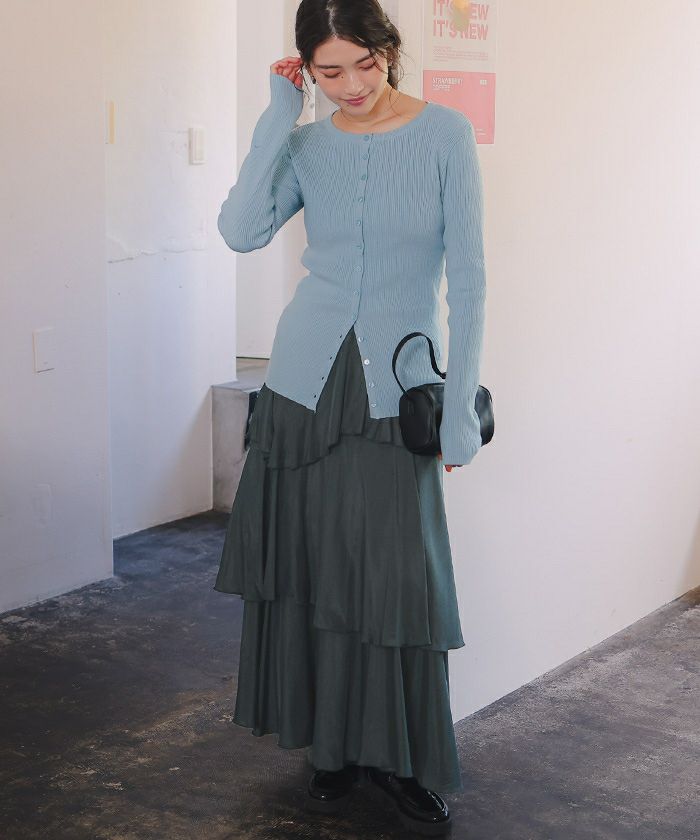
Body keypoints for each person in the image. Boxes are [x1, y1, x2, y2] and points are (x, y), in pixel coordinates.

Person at [213, 1, 487, 835]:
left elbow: (470, 279)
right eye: (328, 72)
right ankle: (329, 749)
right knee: (313, 570)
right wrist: (277, 116)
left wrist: (462, 413)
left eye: (364, 64)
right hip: (303, 381)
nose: (351, 85)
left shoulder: (444, 134)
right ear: (308, 71)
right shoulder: (306, 144)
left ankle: (399, 759)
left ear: (387, 51)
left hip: (395, 391)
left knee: (395, 576)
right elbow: (239, 231)